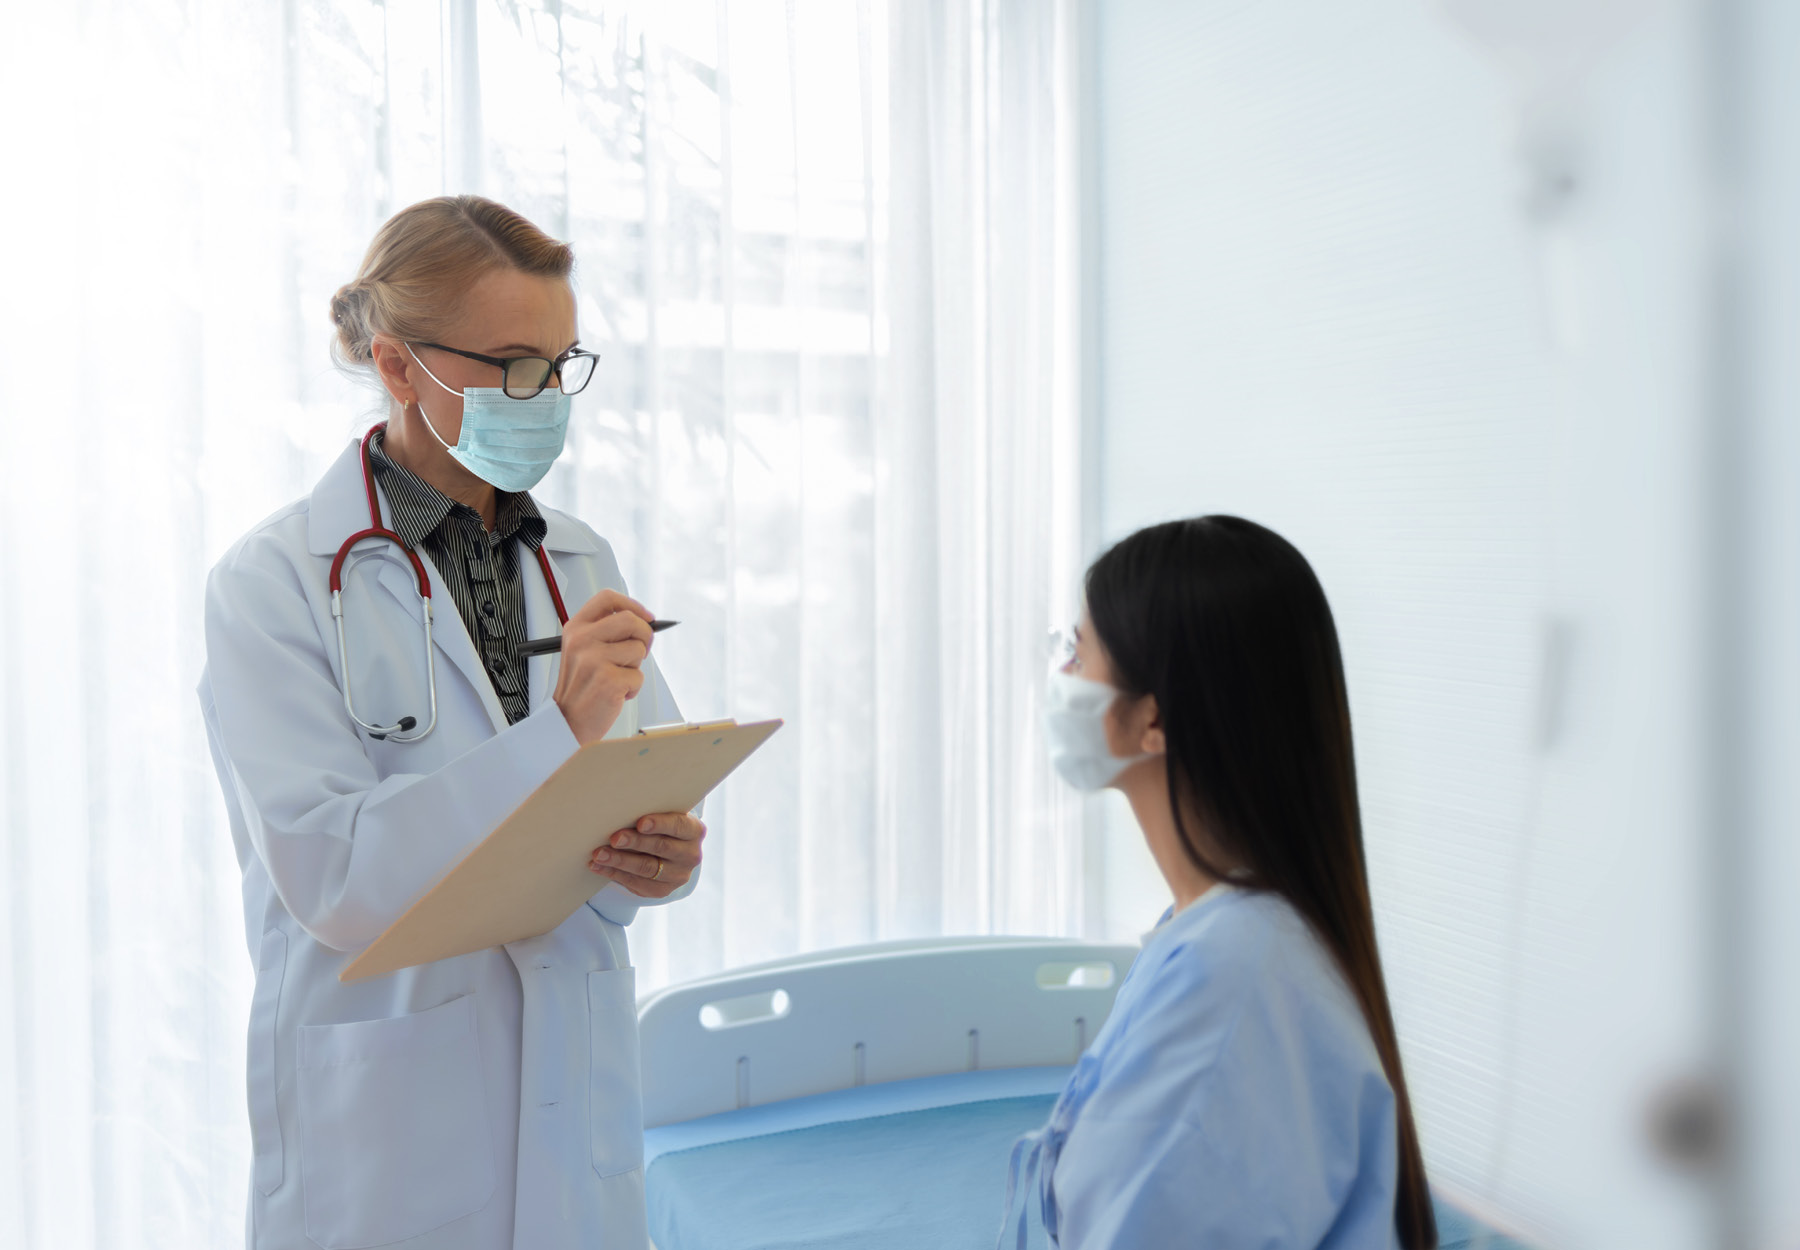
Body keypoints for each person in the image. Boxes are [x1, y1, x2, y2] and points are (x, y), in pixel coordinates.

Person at [198, 196, 703, 1250]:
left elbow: (642, 780)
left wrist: (664, 854)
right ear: (397, 365)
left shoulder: (579, 556)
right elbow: (332, 872)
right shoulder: (274, 582)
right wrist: (555, 737)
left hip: (572, 1082)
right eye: (515, 364)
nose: (546, 397)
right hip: (389, 1127)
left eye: (562, 367)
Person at [1004, 515, 1436, 1249]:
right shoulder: (1226, 935)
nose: (1061, 677)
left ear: (1154, 721)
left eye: (1077, 651)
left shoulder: (1229, 981)